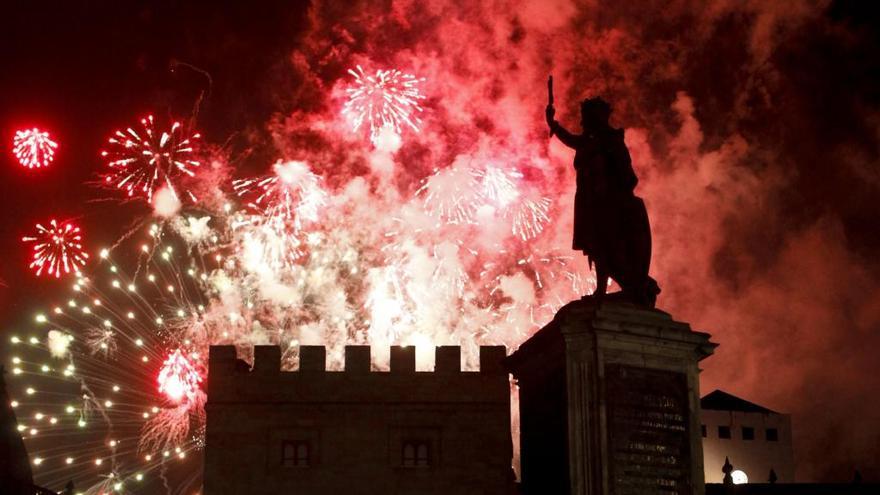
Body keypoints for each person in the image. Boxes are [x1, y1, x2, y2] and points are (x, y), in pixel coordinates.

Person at [546, 96, 660, 306]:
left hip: (608, 201)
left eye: (588, 116)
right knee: (597, 246)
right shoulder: (590, 141)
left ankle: (630, 286)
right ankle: (604, 288)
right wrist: (553, 124)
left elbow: (627, 174)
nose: (585, 121)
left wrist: (616, 193)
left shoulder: (610, 140)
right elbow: (572, 140)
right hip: (590, 201)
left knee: (607, 244)